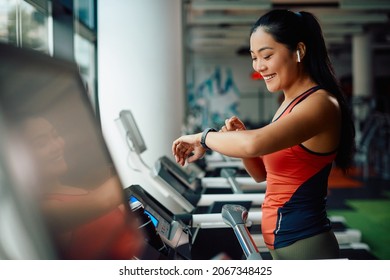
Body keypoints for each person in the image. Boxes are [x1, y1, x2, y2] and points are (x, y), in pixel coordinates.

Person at [172, 9, 355, 260]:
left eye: (266, 55)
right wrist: (241, 137)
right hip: (283, 241)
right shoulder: (288, 104)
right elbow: (262, 174)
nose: (259, 67)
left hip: (305, 242)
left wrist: (202, 137)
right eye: (253, 57)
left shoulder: (320, 103)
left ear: (299, 51)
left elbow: (254, 144)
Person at [17, 115, 144, 259]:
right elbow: (104, 200)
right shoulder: (44, 211)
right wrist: (134, 160)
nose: (56, 146)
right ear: (22, 161)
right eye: (41, 144)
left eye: (55, 135)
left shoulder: (78, 191)